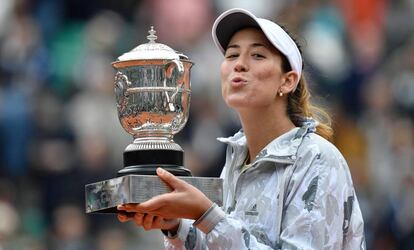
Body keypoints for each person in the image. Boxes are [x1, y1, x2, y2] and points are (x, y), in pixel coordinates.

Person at [117, 8, 366, 249]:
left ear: (288, 80)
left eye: (257, 55)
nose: (239, 64)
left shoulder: (317, 158)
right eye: (232, 55)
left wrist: (207, 215)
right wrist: (176, 227)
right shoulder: (236, 160)